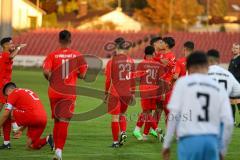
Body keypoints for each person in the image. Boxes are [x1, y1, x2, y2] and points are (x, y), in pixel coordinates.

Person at [162, 51, 234, 160]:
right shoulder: (218, 87)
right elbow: (228, 121)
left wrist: (166, 144)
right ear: (207, 65)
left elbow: (174, 115)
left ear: (189, 67)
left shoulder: (182, 83)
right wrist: (222, 149)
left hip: (189, 139)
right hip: (212, 140)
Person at [43, 30, 88, 160]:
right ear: (70, 40)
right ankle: (58, 151)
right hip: (68, 93)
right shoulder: (78, 55)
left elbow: (46, 72)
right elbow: (83, 75)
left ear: (59, 40)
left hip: (54, 92)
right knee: (64, 120)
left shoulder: (52, 55)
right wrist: (76, 74)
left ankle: (56, 147)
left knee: (57, 119)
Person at [0, 82, 53, 150]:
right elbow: (30, 114)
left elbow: (5, 115)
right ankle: (48, 139)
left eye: (6, 96)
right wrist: (21, 130)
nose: (7, 98)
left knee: (7, 114)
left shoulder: (13, 93)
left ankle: (6, 143)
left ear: (8, 91)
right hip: (43, 118)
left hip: (32, 116)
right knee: (30, 146)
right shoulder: (26, 91)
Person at [105, 37, 135, 148]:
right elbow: (132, 79)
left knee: (115, 117)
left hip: (115, 92)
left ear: (116, 46)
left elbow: (108, 79)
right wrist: (132, 92)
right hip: (127, 92)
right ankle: (123, 131)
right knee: (122, 114)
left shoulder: (111, 61)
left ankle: (115, 142)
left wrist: (105, 92)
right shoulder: (131, 60)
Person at [133, 46, 165, 141]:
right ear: (153, 53)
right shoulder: (158, 65)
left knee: (146, 112)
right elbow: (161, 80)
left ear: (145, 54)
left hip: (145, 90)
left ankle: (155, 129)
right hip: (154, 90)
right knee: (147, 111)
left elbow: (137, 79)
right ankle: (143, 132)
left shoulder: (141, 64)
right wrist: (162, 92)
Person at [0, 37, 26, 146]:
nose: (13, 45)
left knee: (8, 107)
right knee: (9, 107)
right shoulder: (6, 55)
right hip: (3, 87)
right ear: (5, 45)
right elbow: (11, 56)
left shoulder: (3, 55)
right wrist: (19, 48)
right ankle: (15, 128)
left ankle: (14, 128)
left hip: (5, 86)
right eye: (11, 44)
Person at [228, 43, 240, 127]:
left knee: (239, 103)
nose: (234, 49)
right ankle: (233, 121)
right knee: (231, 102)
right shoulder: (232, 60)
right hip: (231, 85)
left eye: (236, 48)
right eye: (233, 48)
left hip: (238, 84)